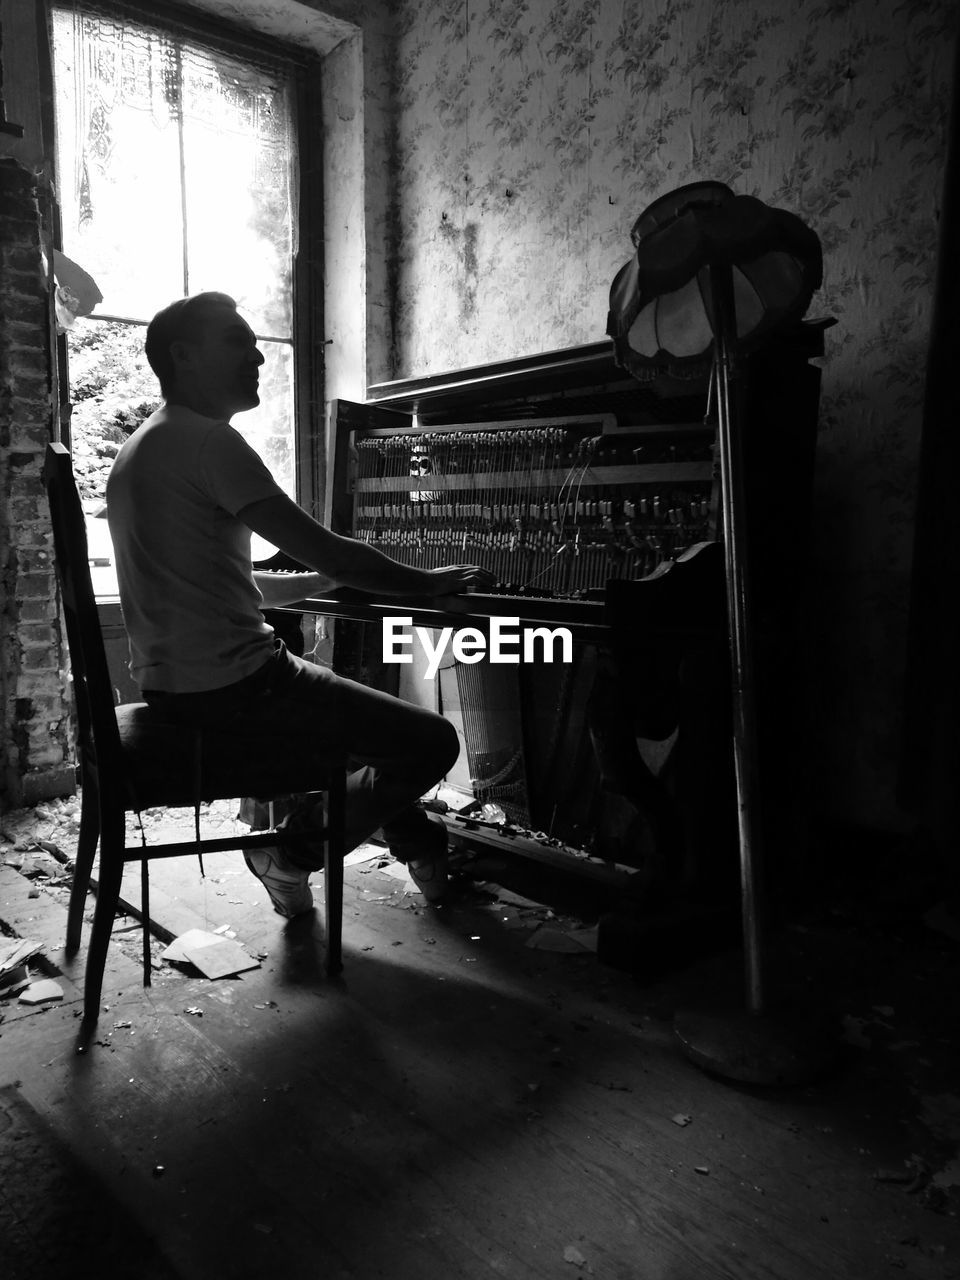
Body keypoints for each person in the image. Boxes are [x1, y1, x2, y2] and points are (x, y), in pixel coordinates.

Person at [106, 291, 494, 916]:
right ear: (181, 355)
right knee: (430, 742)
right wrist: (428, 583)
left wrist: (318, 586)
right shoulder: (208, 443)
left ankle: (424, 854)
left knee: (368, 727)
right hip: (240, 686)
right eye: (236, 340)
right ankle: (289, 855)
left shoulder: (144, 448)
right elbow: (332, 550)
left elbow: (216, 586)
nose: (257, 355)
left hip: (179, 684)